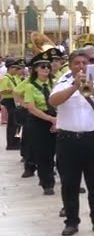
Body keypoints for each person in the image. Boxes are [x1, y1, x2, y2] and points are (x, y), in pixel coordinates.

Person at [48, 48, 94, 236]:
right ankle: (71, 221)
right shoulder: (63, 82)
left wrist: (91, 88)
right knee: (69, 184)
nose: (81, 66)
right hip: (68, 140)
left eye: (84, 63)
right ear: (70, 65)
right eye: (77, 63)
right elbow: (53, 101)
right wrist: (75, 87)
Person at [20, 55, 58, 196]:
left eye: (48, 67)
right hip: (39, 121)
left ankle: (70, 182)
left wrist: (57, 119)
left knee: (61, 153)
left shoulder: (54, 83)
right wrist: (50, 119)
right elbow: (31, 107)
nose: (46, 69)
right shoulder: (30, 86)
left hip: (55, 117)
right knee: (44, 154)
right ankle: (47, 183)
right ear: (35, 69)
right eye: (42, 67)